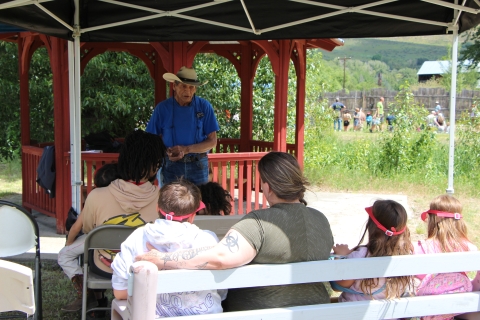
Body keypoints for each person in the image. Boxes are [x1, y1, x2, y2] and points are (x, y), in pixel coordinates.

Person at [136, 151, 334, 311]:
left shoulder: (259, 223)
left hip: (260, 313)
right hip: (317, 310)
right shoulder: (321, 220)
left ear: (269, 187)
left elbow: (220, 257)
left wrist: (163, 259)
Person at [57, 129, 166, 312]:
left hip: (104, 267)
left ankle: (91, 296)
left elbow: (90, 229)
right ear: (155, 166)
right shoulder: (164, 199)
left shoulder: (96, 195)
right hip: (145, 269)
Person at [111, 179, 226, 317]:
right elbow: (221, 290)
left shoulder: (137, 238)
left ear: (157, 208)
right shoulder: (208, 240)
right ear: (192, 216)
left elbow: (119, 292)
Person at [146, 66, 219, 186]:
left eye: (191, 87)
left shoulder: (204, 107)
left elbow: (212, 141)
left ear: (195, 89)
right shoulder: (162, 109)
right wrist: (165, 151)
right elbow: (151, 139)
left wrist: (186, 149)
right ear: (174, 86)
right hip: (170, 165)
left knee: (200, 202)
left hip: (198, 165)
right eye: (183, 86)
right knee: (171, 203)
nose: (188, 91)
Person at [331, 200, 413, 302]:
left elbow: (338, 286)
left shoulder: (361, 256)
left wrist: (340, 257)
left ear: (371, 226)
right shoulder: (406, 256)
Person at [414, 195, 476, 320]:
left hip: (426, 312)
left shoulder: (417, 248)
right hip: (457, 310)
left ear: (433, 219)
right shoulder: (470, 249)